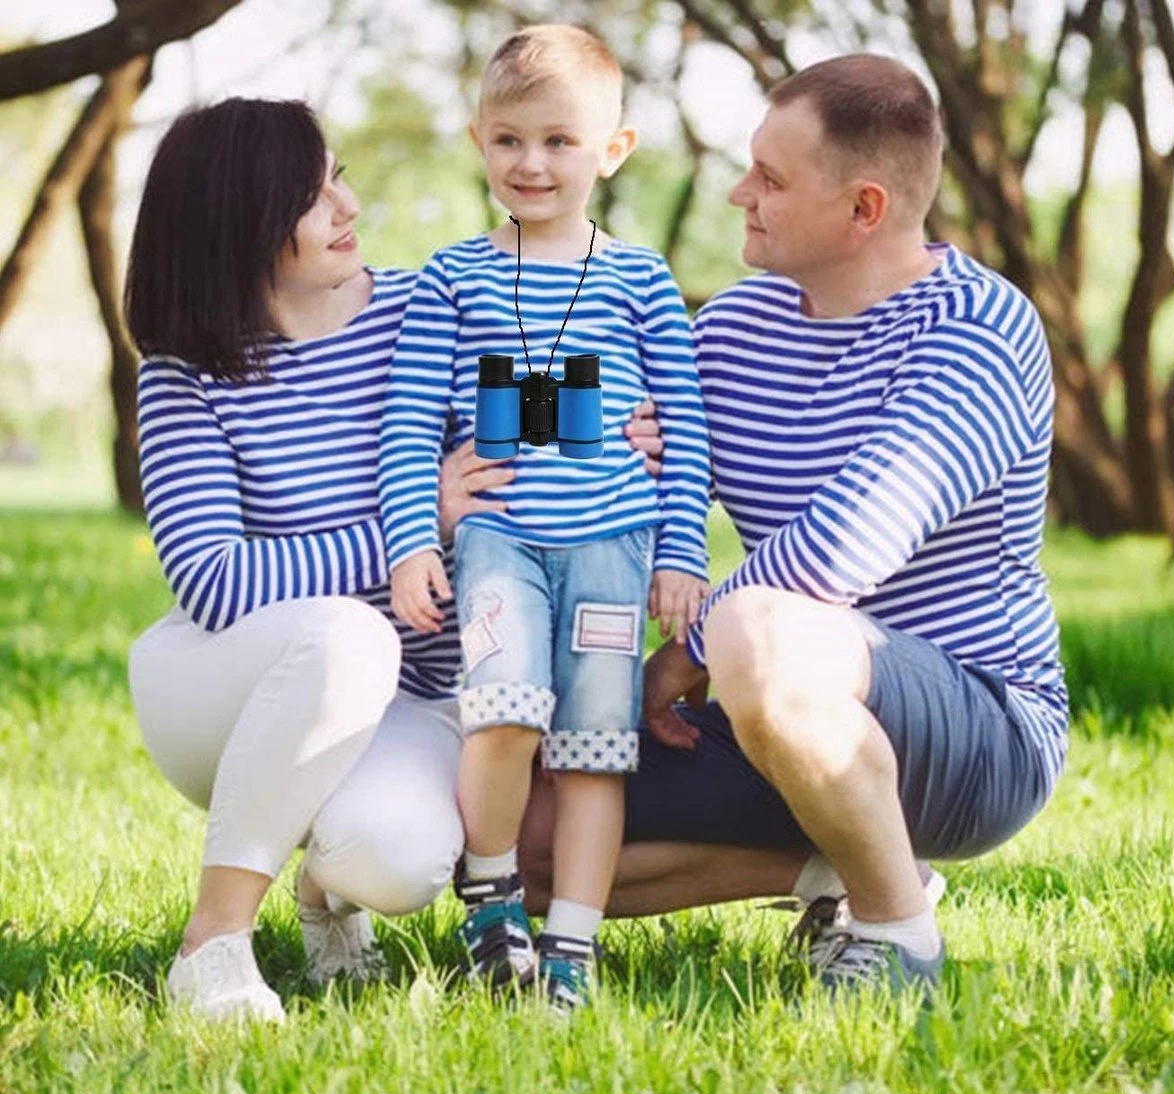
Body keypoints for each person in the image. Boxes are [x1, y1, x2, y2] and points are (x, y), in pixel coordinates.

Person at [523, 52, 1068, 995]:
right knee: (529, 823)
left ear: (864, 209)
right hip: (771, 710)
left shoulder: (979, 330)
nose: (741, 194)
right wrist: (486, 461)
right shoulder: (736, 327)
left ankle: (898, 939)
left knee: (759, 625)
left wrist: (674, 661)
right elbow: (624, 455)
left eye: (771, 180)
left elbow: (842, 550)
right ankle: (847, 868)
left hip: (980, 726)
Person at [124, 97, 664, 1022]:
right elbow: (214, 582)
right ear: (239, 219)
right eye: (312, 195)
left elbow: (536, 425)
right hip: (229, 688)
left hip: (411, 696)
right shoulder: (186, 373)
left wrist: (617, 437)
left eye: (338, 178)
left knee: (402, 860)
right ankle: (212, 944)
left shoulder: (430, 306)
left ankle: (323, 891)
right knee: (349, 635)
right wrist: (420, 524)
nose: (348, 206)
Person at [379, 25, 710, 1009]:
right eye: (510, 139)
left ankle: (572, 944)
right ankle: (491, 892)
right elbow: (409, 424)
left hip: (612, 549)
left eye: (560, 141)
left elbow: (686, 423)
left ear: (613, 150)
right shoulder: (451, 277)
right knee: (506, 710)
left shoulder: (642, 280)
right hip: (499, 544)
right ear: (478, 141)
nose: (532, 163)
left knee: (595, 749)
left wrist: (681, 551)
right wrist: (411, 539)